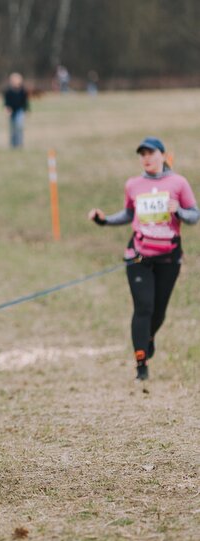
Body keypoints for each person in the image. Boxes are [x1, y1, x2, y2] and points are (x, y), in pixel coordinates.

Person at [88, 137, 198, 381]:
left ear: (163, 155)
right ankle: (141, 364)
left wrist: (178, 210)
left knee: (158, 313)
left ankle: (148, 338)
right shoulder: (133, 184)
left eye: (151, 153)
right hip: (138, 257)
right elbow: (129, 213)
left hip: (169, 258)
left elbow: (194, 215)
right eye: (142, 154)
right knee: (144, 307)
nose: (146, 158)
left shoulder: (178, 182)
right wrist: (104, 220)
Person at [3, 72, 30, 149]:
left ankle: (19, 143)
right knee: (12, 128)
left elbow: (25, 102)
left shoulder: (22, 91)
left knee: (19, 126)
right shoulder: (8, 91)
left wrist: (26, 110)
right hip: (11, 111)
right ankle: (13, 144)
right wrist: (7, 109)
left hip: (19, 111)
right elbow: (6, 102)